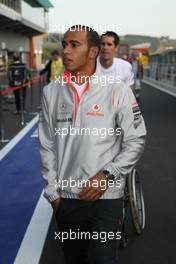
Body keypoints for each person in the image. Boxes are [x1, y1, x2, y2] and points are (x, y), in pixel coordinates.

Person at [39, 25, 146, 264]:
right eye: (64, 44)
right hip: (66, 199)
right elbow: (47, 145)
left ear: (92, 52)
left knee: (101, 259)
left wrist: (109, 175)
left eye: (74, 45)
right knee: (74, 259)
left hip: (106, 198)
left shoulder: (117, 90)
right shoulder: (50, 92)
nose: (66, 50)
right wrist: (53, 193)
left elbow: (135, 139)